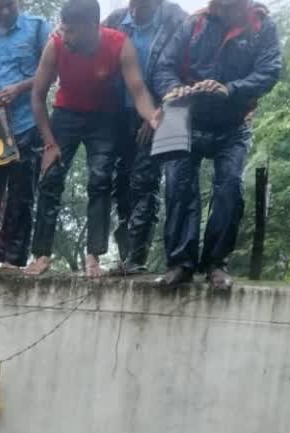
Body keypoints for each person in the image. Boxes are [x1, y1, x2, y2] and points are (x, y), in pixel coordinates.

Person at [152, 0, 282, 290]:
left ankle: (216, 264)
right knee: (177, 186)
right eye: (217, 5)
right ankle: (179, 264)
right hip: (184, 116)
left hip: (233, 120)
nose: (220, 10)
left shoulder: (262, 27)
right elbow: (164, 66)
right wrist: (175, 90)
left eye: (227, 5)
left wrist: (231, 89)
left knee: (230, 188)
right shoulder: (192, 23)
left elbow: (270, 70)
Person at [27, 0, 163, 278]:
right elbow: (38, 97)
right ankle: (41, 255)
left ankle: (93, 257)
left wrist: (152, 116)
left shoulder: (119, 44)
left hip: (103, 118)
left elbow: (138, 91)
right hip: (65, 114)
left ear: (92, 26)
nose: (66, 36)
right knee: (50, 178)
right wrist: (50, 144)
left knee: (100, 181)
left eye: (72, 31)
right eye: (63, 30)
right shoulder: (55, 46)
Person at [103, 0, 188, 274]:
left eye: (146, 5)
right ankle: (126, 254)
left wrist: (159, 111)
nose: (137, 11)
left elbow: (187, 67)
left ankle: (137, 258)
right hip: (120, 112)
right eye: (134, 4)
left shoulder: (176, 18)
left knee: (146, 181)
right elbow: (90, 45)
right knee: (122, 183)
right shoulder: (116, 20)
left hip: (167, 110)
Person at [0, 0, 52, 269]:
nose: (4, 11)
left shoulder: (37, 28)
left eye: (9, 5)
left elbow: (50, 70)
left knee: (21, 196)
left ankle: (12, 262)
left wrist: (19, 88)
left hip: (27, 125)